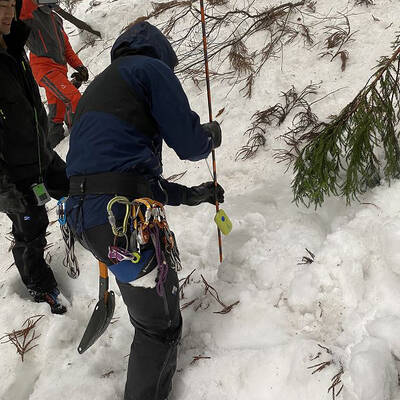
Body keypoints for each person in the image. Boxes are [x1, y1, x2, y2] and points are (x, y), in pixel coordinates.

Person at [65, 21, 224, 400]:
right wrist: (210, 136)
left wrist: (192, 195)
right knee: (159, 326)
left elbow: (124, 178)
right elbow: (189, 144)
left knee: (151, 310)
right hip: (119, 221)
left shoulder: (97, 89)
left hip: (88, 219)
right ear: (162, 54)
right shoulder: (151, 70)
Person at [0, 0, 69, 314]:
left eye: (7, 6)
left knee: (76, 184)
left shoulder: (15, 46)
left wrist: (44, 149)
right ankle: (38, 286)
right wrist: (4, 190)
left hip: (40, 155)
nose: (5, 14)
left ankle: (86, 232)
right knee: (32, 228)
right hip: (14, 175)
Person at [19, 0, 89, 148]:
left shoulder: (56, 19)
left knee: (57, 113)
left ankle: (52, 147)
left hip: (59, 71)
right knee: (74, 99)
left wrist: (79, 66)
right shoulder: (32, 14)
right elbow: (22, 9)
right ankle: (79, 135)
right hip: (44, 69)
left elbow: (67, 48)